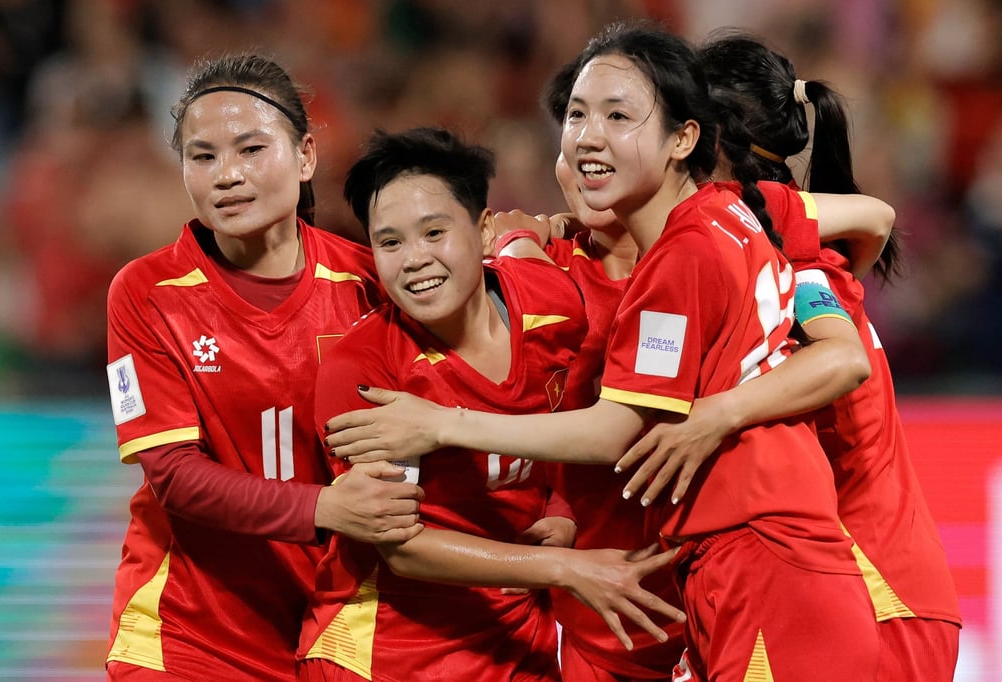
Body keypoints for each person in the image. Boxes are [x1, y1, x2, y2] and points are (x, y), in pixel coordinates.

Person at [322, 22, 884, 680]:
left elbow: (619, 428)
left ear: (684, 137)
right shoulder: (730, 213)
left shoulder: (678, 260)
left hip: (755, 556)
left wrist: (439, 423)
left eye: (619, 116)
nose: (588, 139)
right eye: (578, 117)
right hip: (698, 578)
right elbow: (871, 217)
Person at [297, 126, 686, 682]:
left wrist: (557, 507)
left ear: (481, 233)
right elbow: (400, 546)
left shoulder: (555, 307)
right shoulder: (361, 371)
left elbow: (561, 428)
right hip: (385, 651)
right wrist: (563, 568)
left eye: (435, 232)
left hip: (514, 639)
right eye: (390, 243)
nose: (414, 260)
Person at [103, 54, 424, 681]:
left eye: (251, 149)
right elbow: (172, 477)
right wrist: (323, 509)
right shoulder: (144, 292)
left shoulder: (371, 283)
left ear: (305, 156)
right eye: (203, 156)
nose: (228, 175)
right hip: (187, 632)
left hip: (338, 622)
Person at [692, 33, 959, 681]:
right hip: (876, 594)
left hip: (870, 597)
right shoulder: (785, 249)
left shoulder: (784, 258)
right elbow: (874, 217)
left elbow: (842, 359)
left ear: (709, 140)